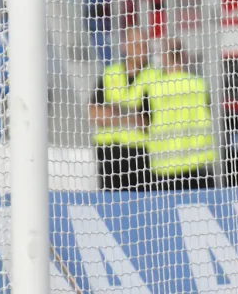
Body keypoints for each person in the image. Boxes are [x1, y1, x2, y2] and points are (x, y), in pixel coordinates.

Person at [136, 37, 217, 190]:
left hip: (165, 168)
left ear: (164, 57)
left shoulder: (153, 88)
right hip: (198, 165)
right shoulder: (199, 84)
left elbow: (142, 122)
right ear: (184, 56)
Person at [89, 28, 155, 191]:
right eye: (137, 45)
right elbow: (95, 113)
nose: (142, 51)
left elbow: (146, 121)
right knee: (110, 204)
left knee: (141, 205)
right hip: (109, 153)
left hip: (140, 154)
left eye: (144, 46)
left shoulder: (154, 76)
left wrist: (115, 113)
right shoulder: (111, 74)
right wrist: (131, 115)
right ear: (126, 46)